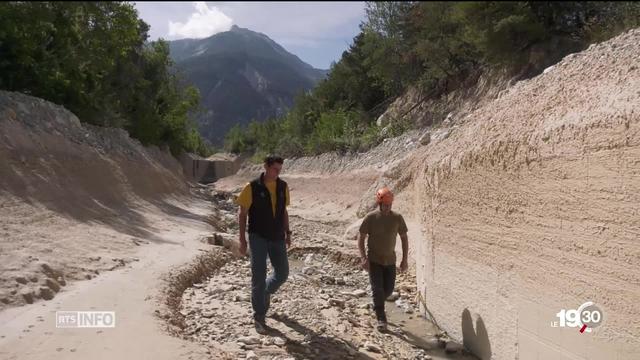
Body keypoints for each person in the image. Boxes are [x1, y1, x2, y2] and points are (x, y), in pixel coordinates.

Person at [236, 155, 291, 333]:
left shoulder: (283, 186)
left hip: (277, 236)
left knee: (282, 273)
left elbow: (284, 211)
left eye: (279, 170)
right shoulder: (251, 187)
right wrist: (242, 240)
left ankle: (265, 292)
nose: (277, 173)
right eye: (275, 169)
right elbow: (242, 214)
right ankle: (259, 315)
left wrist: (288, 233)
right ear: (266, 167)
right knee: (258, 275)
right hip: (257, 236)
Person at [358, 187, 409, 332]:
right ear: (379, 204)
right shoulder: (371, 218)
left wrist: (404, 260)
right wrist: (363, 258)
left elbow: (404, 238)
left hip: (390, 261)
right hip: (374, 260)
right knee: (378, 289)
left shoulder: (397, 218)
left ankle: (377, 301)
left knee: (388, 290)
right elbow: (361, 238)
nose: (387, 208)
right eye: (385, 205)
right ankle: (381, 318)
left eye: (389, 205)